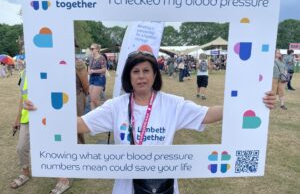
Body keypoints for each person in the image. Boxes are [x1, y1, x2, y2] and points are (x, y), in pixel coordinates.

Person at [25, 49, 275, 194]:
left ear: (155, 74)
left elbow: (208, 114)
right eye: (136, 71)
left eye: (146, 70)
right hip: (126, 186)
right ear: (128, 77)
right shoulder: (117, 106)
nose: (141, 76)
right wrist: (42, 112)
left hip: (164, 186)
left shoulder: (172, 103)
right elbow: (79, 125)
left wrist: (249, 104)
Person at [49, 41, 90, 194]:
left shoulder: (78, 64)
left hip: (75, 99)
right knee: (62, 132)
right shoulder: (54, 62)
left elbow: (86, 86)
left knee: (75, 130)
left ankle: (79, 159)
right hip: (58, 100)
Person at [10, 69, 31, 189]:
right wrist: (17, 118)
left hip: (46, 118)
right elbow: (22, 97)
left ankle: (62, 178)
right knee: (21, 148)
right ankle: (25, 173)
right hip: (27, 117)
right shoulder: (24, 72)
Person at [88, 43, 107, 110]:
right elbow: (89, 66)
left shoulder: (101, 57)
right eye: (90, 49)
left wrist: (93, 71)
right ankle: (92, 117)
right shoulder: (91, 58)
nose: (91, 50)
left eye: (92, 49)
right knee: (92, 100)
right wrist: (89, 71)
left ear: (97, 49)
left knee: (94, 99)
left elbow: (104, 70)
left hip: (99, 78)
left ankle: (104, 112)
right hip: (92, 78)